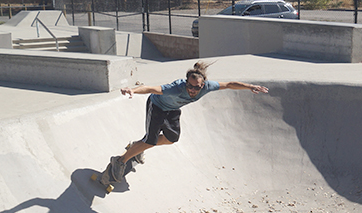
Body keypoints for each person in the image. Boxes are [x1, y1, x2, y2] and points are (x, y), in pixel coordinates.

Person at [110, 61, 269, 182]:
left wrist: (249, 86)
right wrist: (133, 90)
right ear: (186, 83)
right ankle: (119, 160)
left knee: (171, 139)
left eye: (197, 88)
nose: (192, 90)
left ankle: (138, 146)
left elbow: (228, 84)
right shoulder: (175, 88)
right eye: (190, 86)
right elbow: (151, 89)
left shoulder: (208, 86)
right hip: (157, 106)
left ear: (203, 85)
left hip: (172, 111)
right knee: (150, 140)